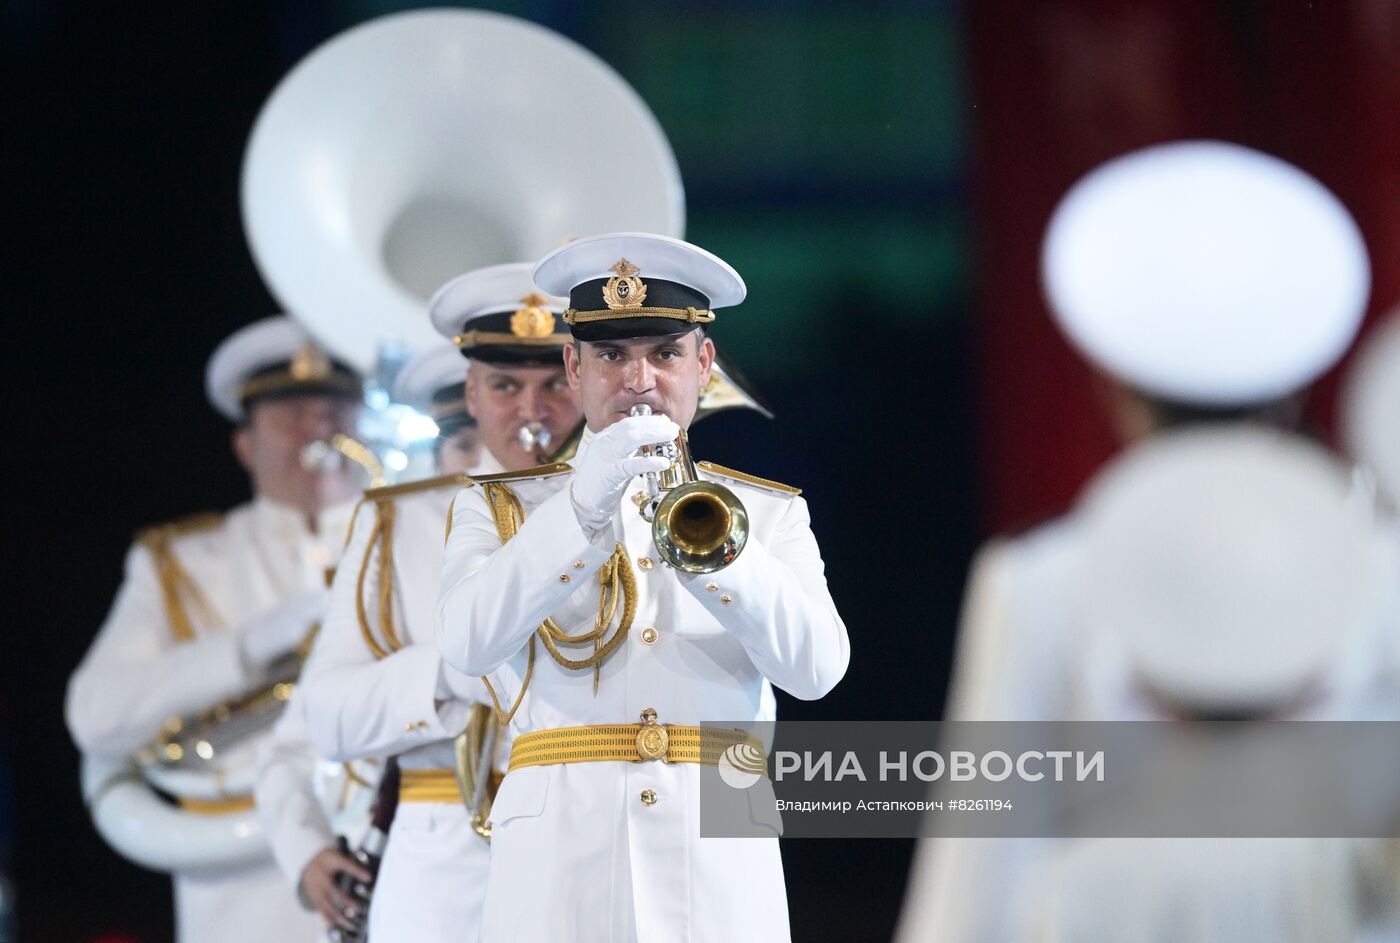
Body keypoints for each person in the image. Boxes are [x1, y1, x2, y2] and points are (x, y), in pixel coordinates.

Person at [896, 140, 1380, 942]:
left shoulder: (1045, 581)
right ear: (1297, 376)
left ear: (1111, 381)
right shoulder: (1385, 570)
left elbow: (977, 886)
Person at [436, 232, 850, 942]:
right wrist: (578, 512)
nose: (639, 379)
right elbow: (466, 644)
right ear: (574, 365)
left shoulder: (770, 511)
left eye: (664, 353)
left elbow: (817, 669)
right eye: (611, 355)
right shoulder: (499, 507)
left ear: (704, 364)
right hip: (557, 871)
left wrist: (718, 554)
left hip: (716, 866)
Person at [297, 262, 583, 941]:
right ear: (473, 394)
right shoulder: (401, 520)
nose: (532, 411)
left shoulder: (646, 509)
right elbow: (327, 717)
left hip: (590, 850)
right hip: (448, 870)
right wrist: (455, 672)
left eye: (556, 384)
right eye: (506, 385)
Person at [67, 317, 366, 943]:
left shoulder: (422, 530)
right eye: (290, 418)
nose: (318, 432)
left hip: (398, 861)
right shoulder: (180, 562)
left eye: (335, 411)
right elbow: (95, 715)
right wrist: (245, 648)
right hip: (244, 893)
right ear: (245, 446)